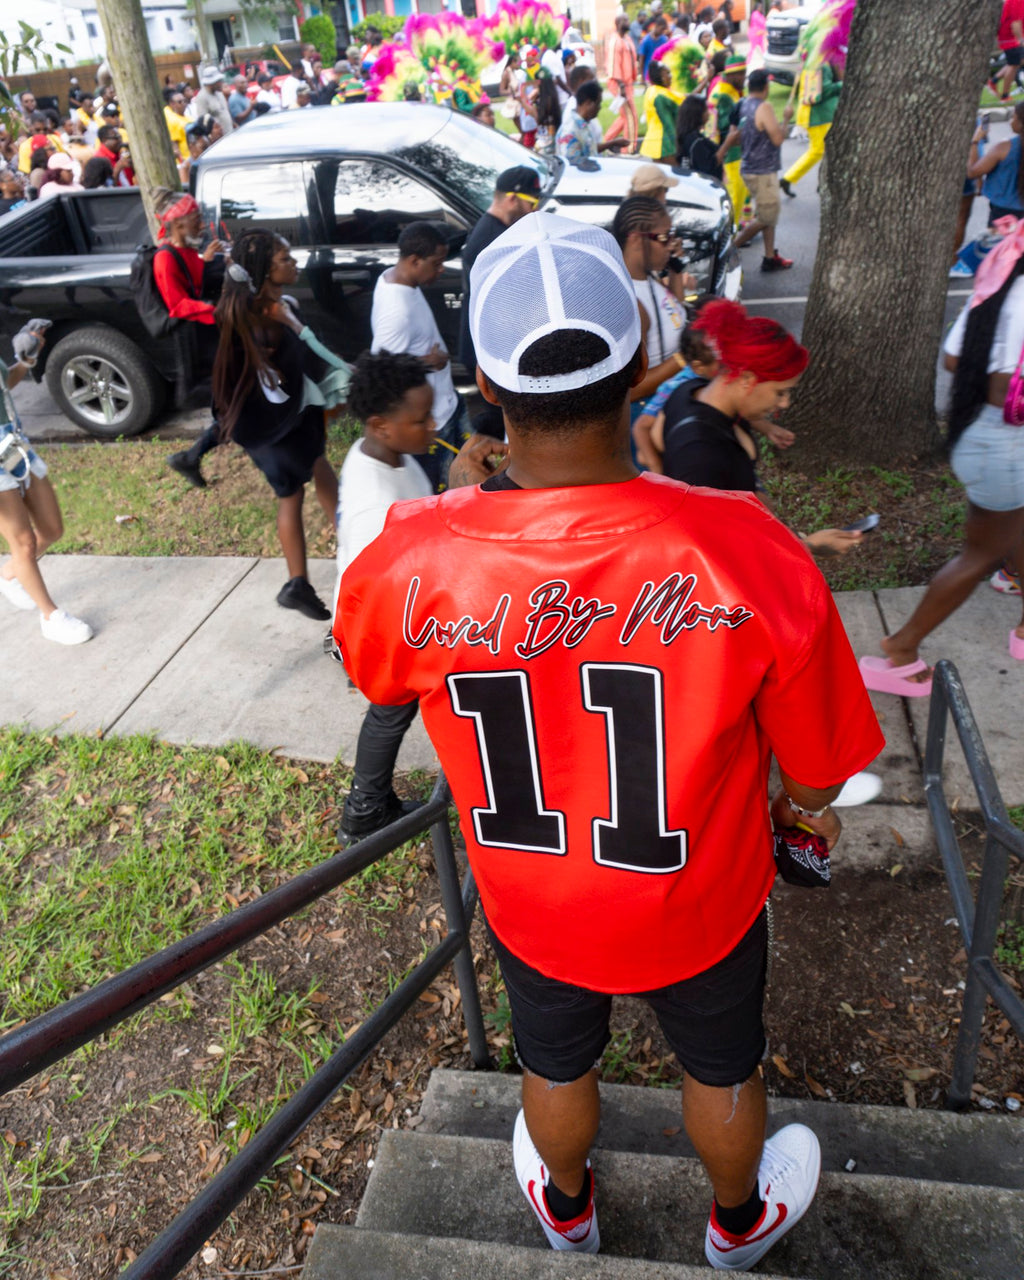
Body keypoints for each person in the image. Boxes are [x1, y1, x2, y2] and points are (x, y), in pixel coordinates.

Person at [335, 211, 884, 1271]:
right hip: (701, 893)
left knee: (555, 1062)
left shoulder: (408, 556)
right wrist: (792, 808)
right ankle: (734, 1225)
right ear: (638, 361)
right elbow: (820, 767)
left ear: (484, 387)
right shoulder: (747, 543)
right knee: (722, 1067)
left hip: (534, 896)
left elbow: (375, 673)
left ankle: (570, 1209)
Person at [860, 227, 1024, 692]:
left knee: (1013, 528)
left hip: (981, 435)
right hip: (1006, 445)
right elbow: (1002, 387)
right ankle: (902, 648)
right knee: (982, 554)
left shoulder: (1004, 270)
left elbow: (955, 359)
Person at [334, 352, 439, 844]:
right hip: (380, 624)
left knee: (393, 711)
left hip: (399, 613)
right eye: (420, 419)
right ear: (381, 425)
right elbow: (381, 579)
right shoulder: (375, 503)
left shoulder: (383, 453)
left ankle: (370, 804)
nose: (433, 425)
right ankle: (364, 811)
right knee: (390, 709)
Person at [658, 300, 859, 557]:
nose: (785, 403)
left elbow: (653, 439)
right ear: (746, 379)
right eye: (780, 392)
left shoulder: (690, 391)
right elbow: (718, 551)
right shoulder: (699, 454)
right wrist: (808, 547)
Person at [213, 229, 338, 620]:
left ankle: (305, 578)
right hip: (279, 427)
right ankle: (308, 576)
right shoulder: (265, 316)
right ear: (265, 270)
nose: (294, 262)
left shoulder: (266, 307)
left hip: (291, 421)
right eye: (285, 258)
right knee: (296, 488)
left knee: (311, 476)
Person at [1, 326, 93, 644]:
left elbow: (4, 384)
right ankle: (51, 616)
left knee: (52, 530)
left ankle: (9, 573)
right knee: (24, 542)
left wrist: (24, 361)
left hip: (14, 446)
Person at [370, 221, 469, 491]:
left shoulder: (395, 278)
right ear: (414, 260)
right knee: (448, 491)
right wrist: (429, 363)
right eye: (436, 263)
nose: (441, 269)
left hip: (448, 404)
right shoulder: (396, 310)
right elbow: (383, 370)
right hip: (435, 421)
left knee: (468, 470)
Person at [459, 166, 542, 439]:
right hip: (490, 352)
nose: (534, 210)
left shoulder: (499, 231)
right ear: (511, 198)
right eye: (531, 202)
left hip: (493, 349)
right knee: (500, 428)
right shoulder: (490, 241)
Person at [151, 190, 226, 489]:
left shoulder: (184, 252)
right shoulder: (164, 259)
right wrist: (215, 309)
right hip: (195, 339)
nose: (200, 223)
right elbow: (177, 304)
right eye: (195, 219)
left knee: (229, 399)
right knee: (228, 399)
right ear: (179, 224)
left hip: (207, 331)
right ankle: (189, 457)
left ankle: (191, 457)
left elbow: (194, 279)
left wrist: (206, 261)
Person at [612, 196, 695, 408]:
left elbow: (671, 312)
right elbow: (629, 390)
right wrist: (686, 356)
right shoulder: (630, 302)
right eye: (664, 237)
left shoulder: (647, 279)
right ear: (636, 239)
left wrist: (676, 271)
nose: (672, 244)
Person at [730, 69, 794, 271]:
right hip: (763, 171)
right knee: (766, 217)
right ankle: (730, 249)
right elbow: (777, 139)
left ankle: (769, 256)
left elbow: (737, 134)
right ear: (766, 87)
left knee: (768, 214)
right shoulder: (764, 107)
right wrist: (785, 119)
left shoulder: (743, 104)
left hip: (749, 166)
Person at [780, 62, 842, 197]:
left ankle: (820, 182)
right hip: (818, 116)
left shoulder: (814, 61)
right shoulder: (820, 64)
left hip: (818, 115)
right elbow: (822, 91)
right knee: (818, 151)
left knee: (824, 151)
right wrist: (842, 84)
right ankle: (789, 179)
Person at [969, 102, 1024, 224]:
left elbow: (973, 172)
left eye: (1013, 117)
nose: (1010, 121)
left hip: (1003, 211)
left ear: (1021, 124)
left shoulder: (1004, 147)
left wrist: (975, 141)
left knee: (1002, 243)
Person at [711, 55, 747, 228]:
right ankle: (730, 230)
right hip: (731, 151)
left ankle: (741, 222)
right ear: (731, 75)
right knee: (735, 192)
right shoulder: (724, 95)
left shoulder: (732, 90)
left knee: (742, 190)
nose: (744, 77)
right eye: (741, 74)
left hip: (736, 149)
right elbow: (725, 125)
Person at [557, 80, 614, 168]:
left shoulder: (583, 125)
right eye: (598, 104)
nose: (599, 108)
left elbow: (590, 148)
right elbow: (571, 166)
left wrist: (613, 143)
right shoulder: (570, 131)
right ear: (588, 103)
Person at [604, 14, 639, 153]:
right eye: (625, 20)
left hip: (628, 83)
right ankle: (629, 149)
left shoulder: (627, 39)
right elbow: (613, 66)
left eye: (628, 19)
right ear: (618, 23)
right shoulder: (615, 41)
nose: (628, 22)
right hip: (619, 84)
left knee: (624, 116)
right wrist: (621, 86)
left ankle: (605, 142)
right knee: (631, 116)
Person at [675, 93, 723, 178]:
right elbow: (710, 165)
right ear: (698, 114)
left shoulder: (685, 136)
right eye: (705, 110)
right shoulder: (696, 141)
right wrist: (728, 143)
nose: (708, 113)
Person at [640, 62, 680, 164]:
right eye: (668, 73)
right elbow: (687, 102)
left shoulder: (651, 90)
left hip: (654, 141)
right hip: (665, 143)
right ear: (662, 77)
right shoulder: (663, 96)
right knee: (675, 175)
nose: (671, 76)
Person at [193, 66, 234, 136]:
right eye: (219, 81)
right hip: (219, 140)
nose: (221, 83)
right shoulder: (202, 97)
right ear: (211, 83)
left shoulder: (219, 93)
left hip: (230, 134)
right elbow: (204, 123)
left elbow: (225, 112)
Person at [998, 0, 1024, 103]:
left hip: (1011, 38)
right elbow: (1015, 24)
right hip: (1011, 39)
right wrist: (1021, 40)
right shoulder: (1018, 1)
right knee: (1013, 65)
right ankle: (1005, 96)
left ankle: (995, 81)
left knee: (1016, 63)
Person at [163, 87, 190, 161]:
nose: (184, 103)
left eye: (185, 100)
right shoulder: (172, 120)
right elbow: (175, 146)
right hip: (186, 160)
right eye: (180, 102)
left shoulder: (188, 118)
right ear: (172, 104)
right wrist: (183, 161)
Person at [638, 15, 669, 80]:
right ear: (656, 26)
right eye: (662, 29)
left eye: (664, 30)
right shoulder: (646, 40)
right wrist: (642, 77)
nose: (663, 31)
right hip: (648, 75)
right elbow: (641, 59)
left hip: (660, 75)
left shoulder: (664, 40)